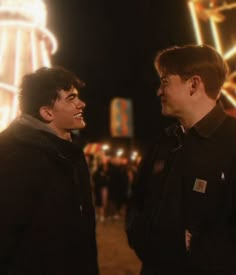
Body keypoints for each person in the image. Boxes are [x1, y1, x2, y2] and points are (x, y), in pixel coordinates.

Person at [126, 44, 236, 275]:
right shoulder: (163, 142)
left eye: (165, 81)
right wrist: (144, 237)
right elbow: (136, 202)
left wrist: (195, 249)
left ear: (194, 85)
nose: (158, 91)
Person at [0, 67, 99, 274]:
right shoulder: (16, 156)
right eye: (71, 98)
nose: (82, 104)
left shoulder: (70, 153)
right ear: (47, 112)